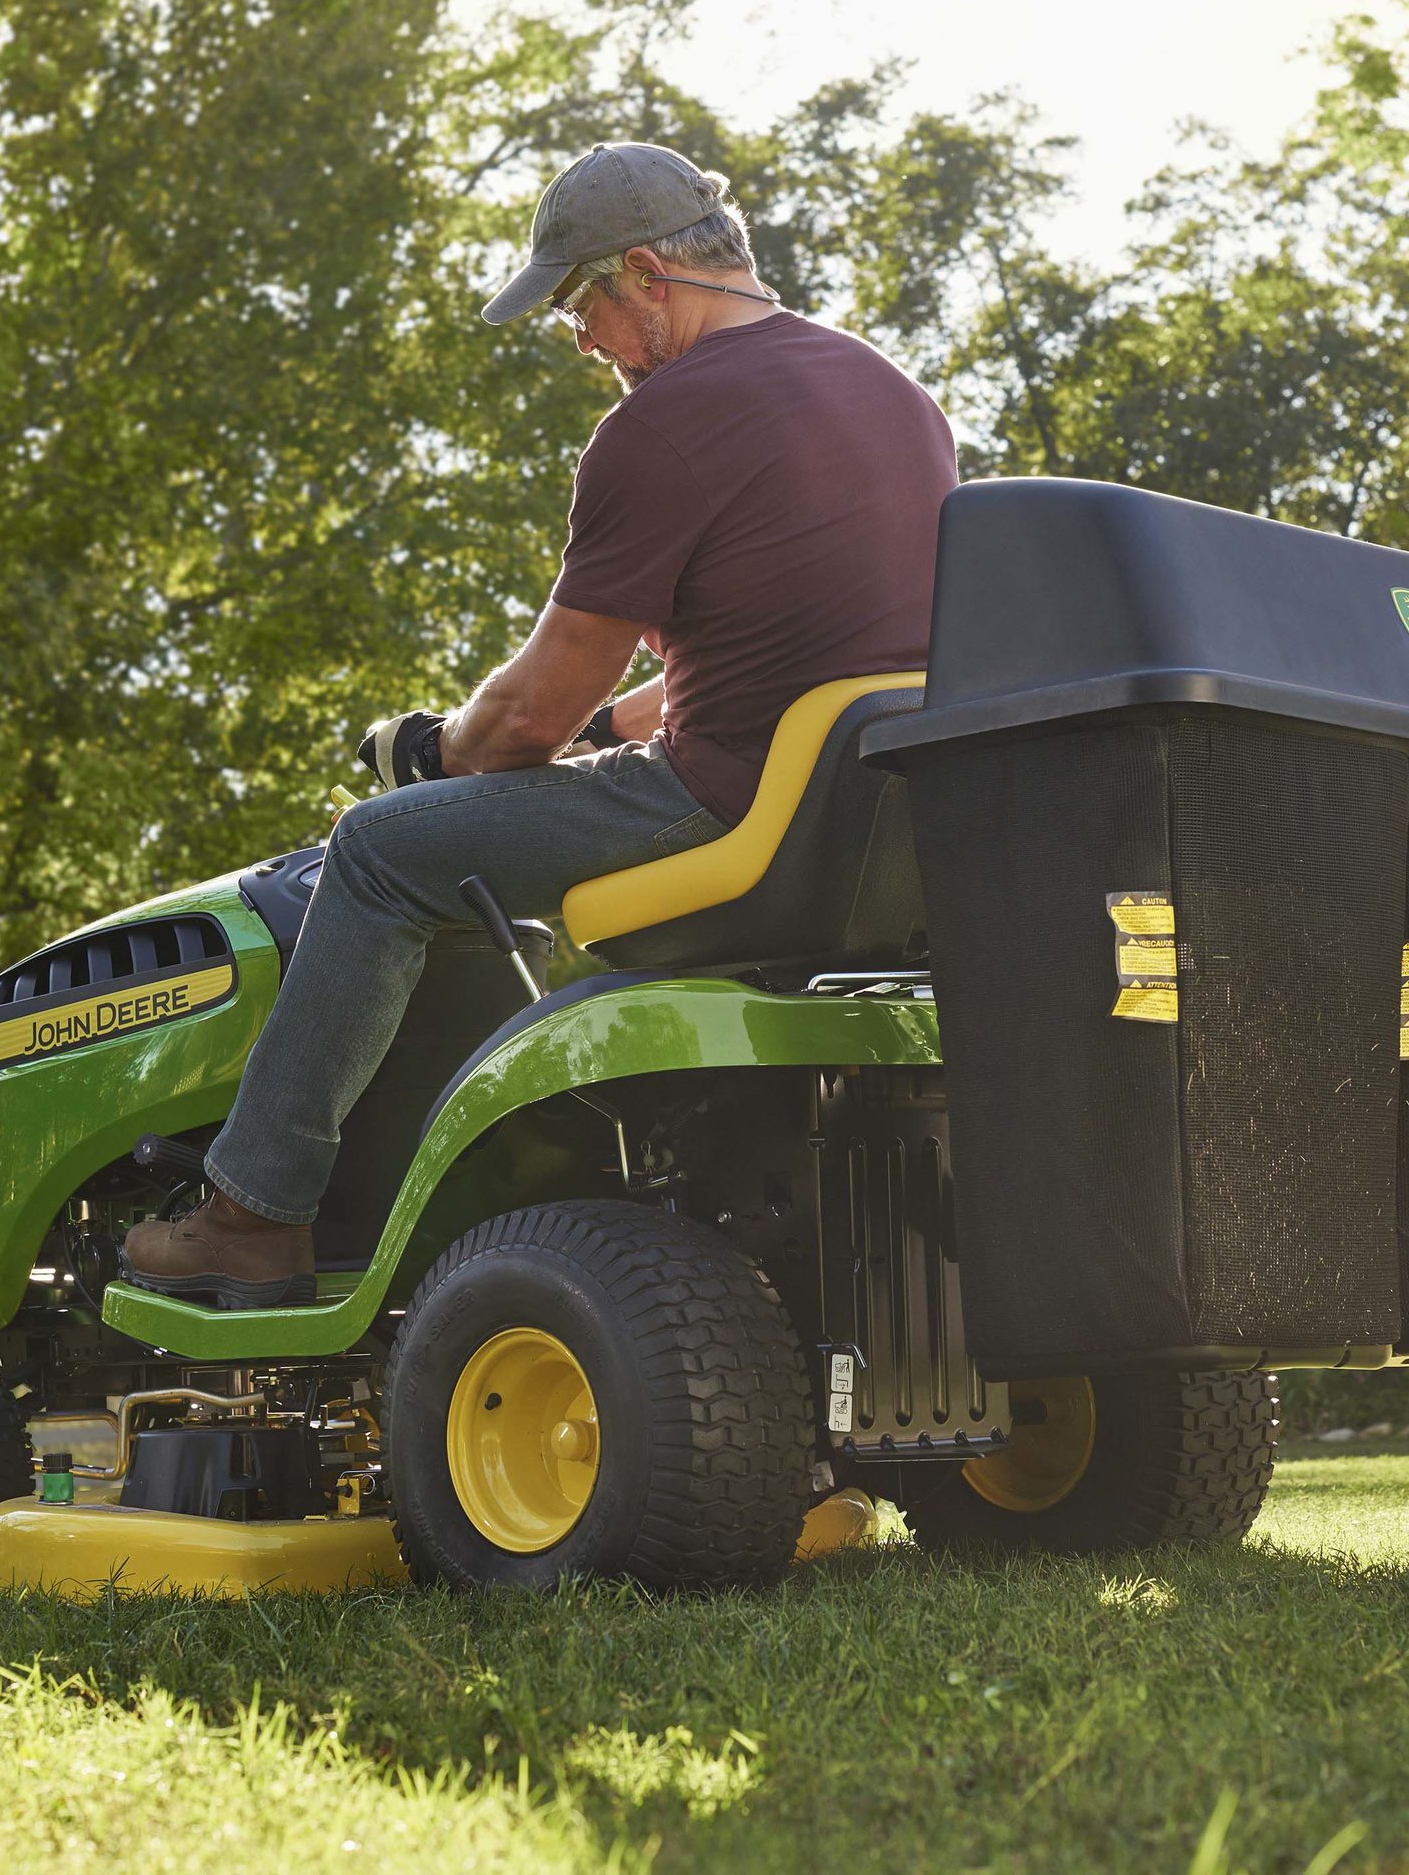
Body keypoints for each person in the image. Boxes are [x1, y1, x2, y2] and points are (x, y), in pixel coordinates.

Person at [121, 142, 959, 1307]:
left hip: (731, 811)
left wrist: (426, 754)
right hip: (880, 831)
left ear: (651, 277)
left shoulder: (666, 422)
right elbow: (825, 652)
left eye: (579, 302)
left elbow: (523, 719)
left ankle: (255, 1209)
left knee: (379, 848)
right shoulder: (892, 395)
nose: (578, 340)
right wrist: (614, 724)